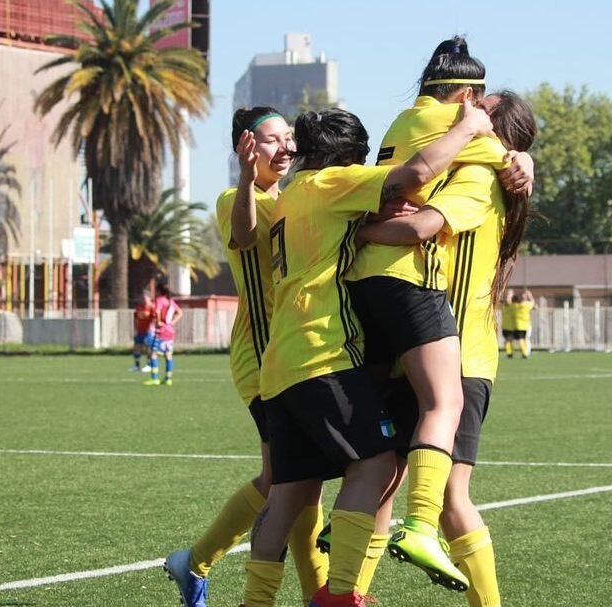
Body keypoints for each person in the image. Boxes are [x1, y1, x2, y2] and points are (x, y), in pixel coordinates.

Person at [243, 103, 494, 607]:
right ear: (343, 157)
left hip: (278, 367)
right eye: (360, 157)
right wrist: (468, 127)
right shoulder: (334, 183)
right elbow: (415, 174)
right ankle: (340, 597)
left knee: (288, 491)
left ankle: (254, 603)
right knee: (378, 463)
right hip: (321, 354)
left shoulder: (292, 196)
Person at [343, 36, 533, 592]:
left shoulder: (480, 180)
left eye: (482, 112)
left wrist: (359, 231)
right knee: (381, 477)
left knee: (451, 499)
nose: (470, 112)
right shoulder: (463, 165)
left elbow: (423, 226)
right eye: (470, 102)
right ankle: (347, 592)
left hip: (462, 353)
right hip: (421, 345)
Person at [164, 107, 328, 607]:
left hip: (296, 354)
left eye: (289, 139)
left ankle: (314, 593)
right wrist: (241, 176)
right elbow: (240, 234)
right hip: (260, 360)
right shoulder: (235, 199)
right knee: (287, 479)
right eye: (272, 141)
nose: (286, 148)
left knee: (304, 483)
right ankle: (197, 562)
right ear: (248, 148)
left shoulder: (298, 195)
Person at [144, 283, 181, 386]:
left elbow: (157, 311)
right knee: (168, 355)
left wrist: (158, 322)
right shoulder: (171, 301)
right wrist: (172, 322)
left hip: (161, 330)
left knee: (153, 353)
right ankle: (168, 379)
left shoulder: (160, 300)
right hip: (170, 331)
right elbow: (180, 312)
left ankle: (154, 379)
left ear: (159, 291)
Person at [502, 290, 534, 359]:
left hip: (510, 325)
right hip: (523, 325)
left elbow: (508, 302)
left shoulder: (509, 306)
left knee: (509, 340)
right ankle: (524, 353)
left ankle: (510, 353)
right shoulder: (524, 305)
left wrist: (509, 295)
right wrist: (530, 295)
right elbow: (532, 303)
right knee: (521, 339)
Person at [131, 290, 156, 372]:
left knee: (148, 348)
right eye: (142, 298)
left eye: (145, 298)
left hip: (148, 331)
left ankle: (149, 365)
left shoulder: (152, 307)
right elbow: (135, 318)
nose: (143, 299)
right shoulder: (139, 307)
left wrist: (153, 328)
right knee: (136, 348)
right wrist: (135, 329)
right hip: (140, 331)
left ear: (149, 298)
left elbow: (155, 319)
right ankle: (136, 365)